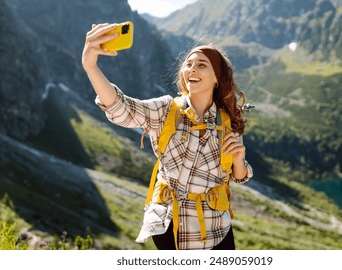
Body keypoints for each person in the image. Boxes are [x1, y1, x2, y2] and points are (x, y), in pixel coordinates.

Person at [82, 23, 253, 250]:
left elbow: (239, 177)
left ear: (217, 79)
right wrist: (91, 67)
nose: (192, 69)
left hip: (216, 228)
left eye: (202, 65)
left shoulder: (227, 121)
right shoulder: (166, 110)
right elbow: (122, 109)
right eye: (188, 64)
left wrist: (239, 160)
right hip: (169, 225)